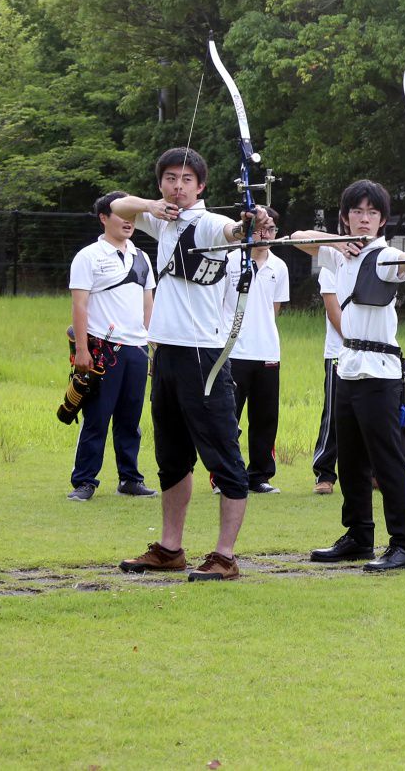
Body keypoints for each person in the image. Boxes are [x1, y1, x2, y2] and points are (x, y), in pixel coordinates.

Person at [110, 147, 274, 581]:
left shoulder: (207, 223)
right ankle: (169, 547)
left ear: (201, 187)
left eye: (186, 180)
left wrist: (246, 226)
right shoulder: (159, 218)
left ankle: (225, 556)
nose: (177, 186)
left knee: (223, 457)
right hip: (164, 353)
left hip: (205, 359)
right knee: (171, 458)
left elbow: (231, 231)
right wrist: (151, 207)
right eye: (170, 178)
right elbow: (114, 204)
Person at [292, 179, 405, 572]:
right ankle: (358, 536)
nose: (363, 219)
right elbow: (296, 237)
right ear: (345, 217)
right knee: (350, 461)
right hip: (347, 369)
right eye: (357, 211)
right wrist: (335, 242)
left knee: (386, 461)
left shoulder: (385, 256)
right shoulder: (337, 255)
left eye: (371, 212)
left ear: (382, 220)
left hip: (379, 374)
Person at [65, 191, 156, 501]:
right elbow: (79, 305)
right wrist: (81, 349)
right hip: (103, 349)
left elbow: (149, 305)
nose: (128, 222)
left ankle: (130, 479)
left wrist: (152, 346)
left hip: (136, 349)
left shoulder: (142, 257)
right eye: (121, 215)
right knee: (97, 418)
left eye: (132, 217)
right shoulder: (88, 256)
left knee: (130, 420)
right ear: (104, 218)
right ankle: (85, 481)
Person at [222, 206, 289, 495]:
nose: (265, 233)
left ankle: (259, 475)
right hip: (233, 351)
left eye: (270, 228)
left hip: (267, 351)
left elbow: (273, 310)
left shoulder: (279, 266)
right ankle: (223, 474)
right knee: (227, 415)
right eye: (260, 228)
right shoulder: (230, 260)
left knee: (264, 417)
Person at [311, 230, 344, 495]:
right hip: (339, 352)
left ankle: (373, 472)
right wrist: (356, 341)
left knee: (373, 416)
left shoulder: (380, 258)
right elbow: (334, 311)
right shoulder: (332, 262)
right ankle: (325, 473)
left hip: (375, 356)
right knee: (334, 413)